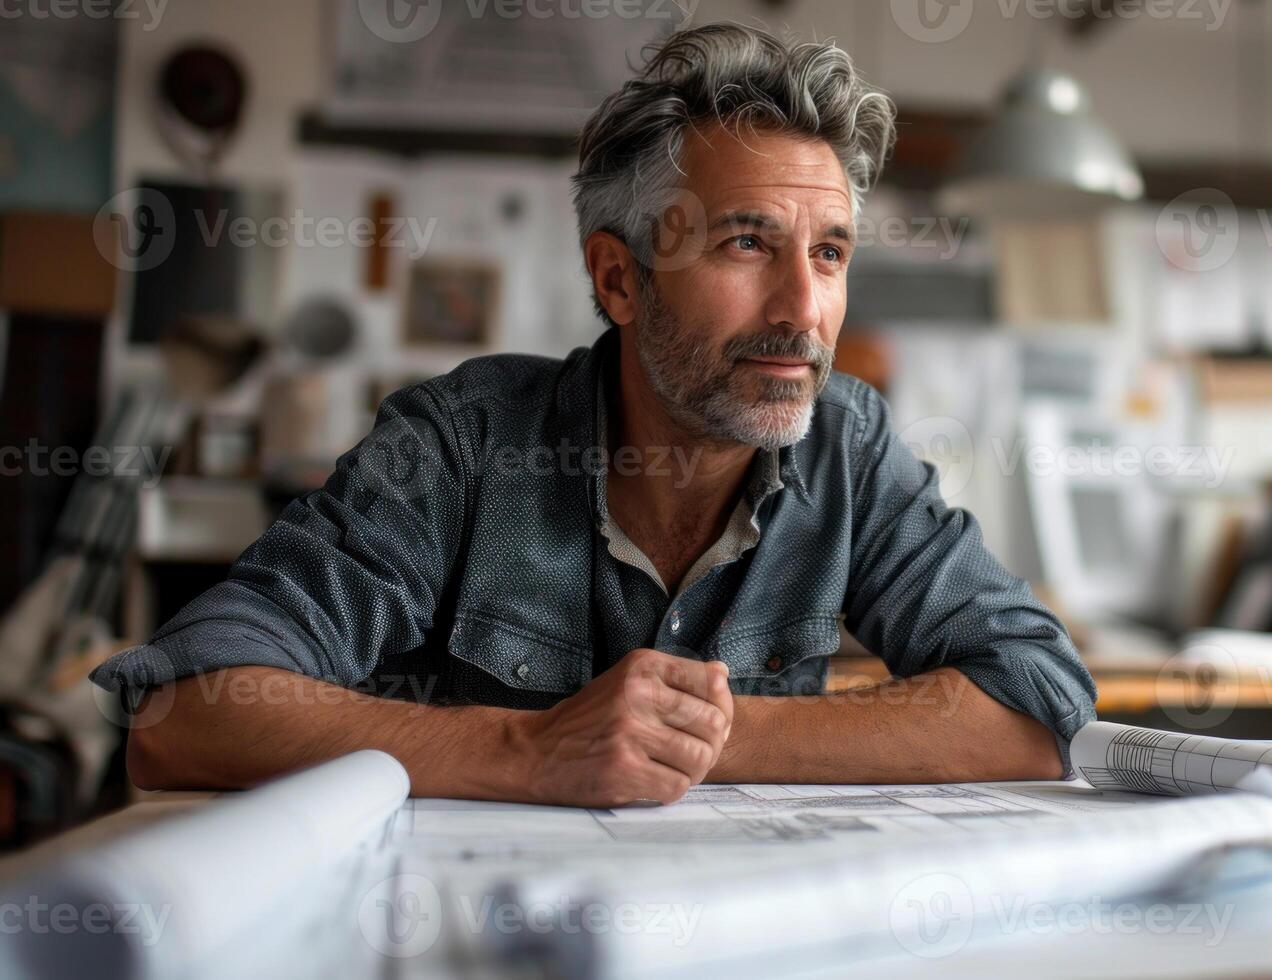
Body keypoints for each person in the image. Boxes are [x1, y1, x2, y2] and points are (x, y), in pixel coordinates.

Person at [93, 23, 1097, 807]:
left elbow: (1039, 700)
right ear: (619, 279)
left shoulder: (848, 445)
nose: (803, 310)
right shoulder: (461, 444)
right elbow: (186, 710)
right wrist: (530, 746)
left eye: (828, 253)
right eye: (747, 243)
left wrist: (700, 735)